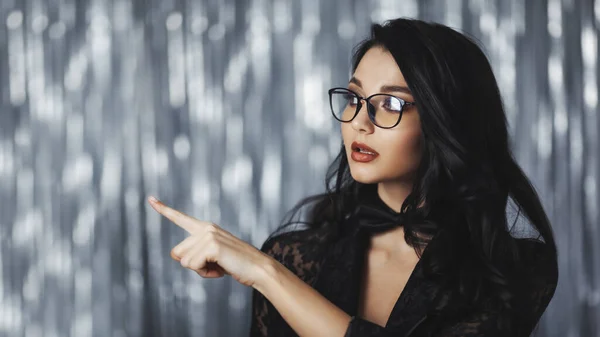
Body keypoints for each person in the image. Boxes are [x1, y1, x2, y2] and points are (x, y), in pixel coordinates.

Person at [148, 18, 558, 337]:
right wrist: (274, 270)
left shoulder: (516, 270)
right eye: (354, 97)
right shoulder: (297, 256)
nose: (359, 122)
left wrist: (266, 274)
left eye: (391, 103)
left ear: (446, 121)